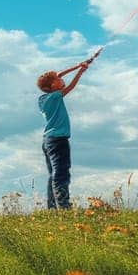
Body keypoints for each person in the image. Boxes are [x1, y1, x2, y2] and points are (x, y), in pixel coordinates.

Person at [37, 55, 94, 210]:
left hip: (48, 140)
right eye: (58, 80)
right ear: (51, 87)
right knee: (61, 172)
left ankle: (52, 207)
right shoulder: (55, 97)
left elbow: (59, 75)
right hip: (58, 140)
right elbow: (70, 87)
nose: (61, 79)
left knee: (53, 173)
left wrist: (78, 65)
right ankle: (63, 206)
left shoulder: (43, 98)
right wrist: (80, 71)